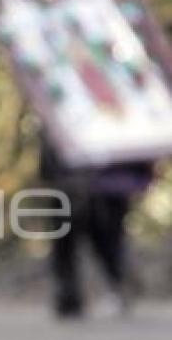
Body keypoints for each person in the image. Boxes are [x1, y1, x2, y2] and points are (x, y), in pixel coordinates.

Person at [40, 135, 154, 318]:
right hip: (68, 182)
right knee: (65, 242)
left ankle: (116, 287)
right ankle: (68, 295)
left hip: (105, 185)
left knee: (105, 238)